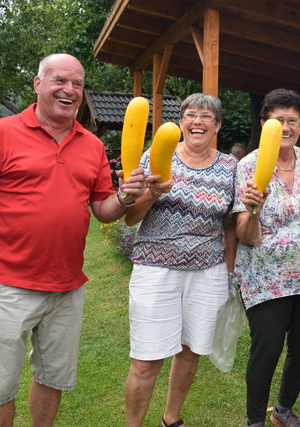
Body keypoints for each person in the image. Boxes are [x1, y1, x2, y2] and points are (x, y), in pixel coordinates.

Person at [0, 53, 147, 426]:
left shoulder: (91, 145)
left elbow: (103, 211)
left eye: (77, 84)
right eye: (60, 80)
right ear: (38, 84)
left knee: (52, 378)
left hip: (67, 287)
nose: (70, 90)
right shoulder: (1, 132)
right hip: (8, 284)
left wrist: (125, 197)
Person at [122, 93, 237, 427]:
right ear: (181, 122)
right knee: (146, 359)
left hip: (209, 270)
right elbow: (131, 218)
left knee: (191, 351)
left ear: (216, 125)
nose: (197, 121)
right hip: (156, 269)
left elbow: (230, 224)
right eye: (190, 114)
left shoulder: (230, 166)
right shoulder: (157, 156)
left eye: (205, 116)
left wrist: (229, 272)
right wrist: (152, 194)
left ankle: (171, 418)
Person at [233, 88, 300, 427]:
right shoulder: (249, 167)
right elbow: (245, 234)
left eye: (293, 120)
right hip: (265, 278)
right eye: (279, 120)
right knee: (267, 351)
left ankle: (282, 410)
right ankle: (254, 422)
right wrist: (253, 210)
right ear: (265, 125)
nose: (287, 127)